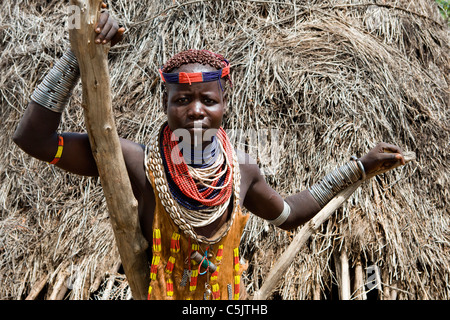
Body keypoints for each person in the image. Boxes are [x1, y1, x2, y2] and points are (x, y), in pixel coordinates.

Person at [13, 9, 405, 300]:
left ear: (224, 103)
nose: (196, 110)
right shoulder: (135, 162)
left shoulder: (242, 170)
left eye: (208, 100)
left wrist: (359, 167)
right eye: (182, 99)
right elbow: (35, 139)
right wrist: (78, 57)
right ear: (165, 104)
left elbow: (290, 214)